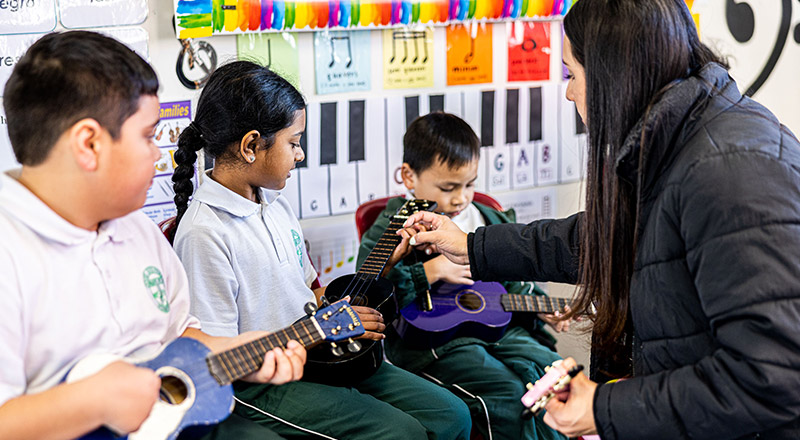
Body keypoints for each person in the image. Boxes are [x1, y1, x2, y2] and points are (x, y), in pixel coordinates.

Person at [398, 0, 800, 439]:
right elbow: (609, 237)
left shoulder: (728, 173)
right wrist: (472, 246)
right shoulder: (683, 139)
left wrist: (605, 407)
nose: (569, 92)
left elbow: (773, 376)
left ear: (613, 76)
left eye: (572, 75)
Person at [0, 31, 306, 440]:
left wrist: (239, 352)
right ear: (89, 143)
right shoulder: (10, 252)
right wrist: (91, 402)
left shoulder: (136, 229)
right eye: (147, 136)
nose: (159, 154)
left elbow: (180, 336)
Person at [171, 60, 472, 440]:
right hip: (262, 380)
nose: (299, 155)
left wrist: (342, 307)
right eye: (293, 143)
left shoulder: (276, 204)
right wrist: (317, 332)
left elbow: (309, 293)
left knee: (452, 415)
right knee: (399, 433)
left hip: (321, 349)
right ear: (250, 146)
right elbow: (221, 356)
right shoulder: (204, 233)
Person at [357, 112, 567, 440]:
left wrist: (540, 306)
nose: (461, 198)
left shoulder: (486, 217)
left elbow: (511, 279)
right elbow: (364, 292)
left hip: (500, 330)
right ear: (409, 177)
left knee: (554, 376)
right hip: (434, 344)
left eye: (470, 184)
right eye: (448, 187)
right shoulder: (392, 226)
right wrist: (428, 271)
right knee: (507, 396)